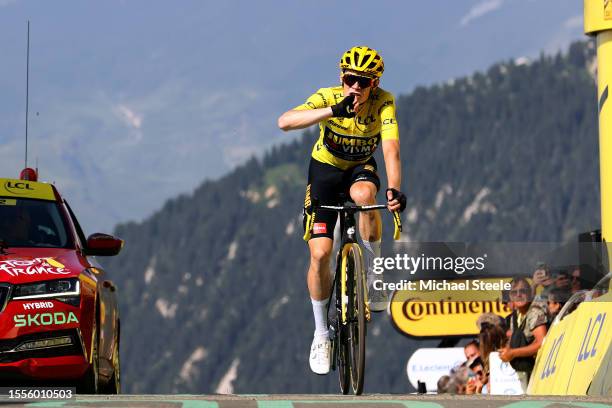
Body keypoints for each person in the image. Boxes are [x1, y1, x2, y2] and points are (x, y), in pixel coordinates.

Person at [278, 46, 406, 375]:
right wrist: (332, 110)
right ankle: (322, 332)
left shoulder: (384, 102)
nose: (356, 88)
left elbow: (391, 149)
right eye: (350, 79)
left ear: (374, 84)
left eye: (363, 82)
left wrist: (394, 189)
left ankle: (375, 268)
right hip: (324, 171)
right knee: (320, 254)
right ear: (341, 78)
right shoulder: (329, 96)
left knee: (365, 195)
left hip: (361, 167)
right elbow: (285, 122)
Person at [499, 277, 547, 392]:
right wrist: (506, 351)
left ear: (530, 293)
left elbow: (543, 343)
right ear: (510, 297)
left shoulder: (535, 312)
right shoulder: (515, 317)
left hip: (542, 372)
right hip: (527, 374)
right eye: (514, 292)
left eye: (523, 291)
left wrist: (513, 353)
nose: (519, 295)